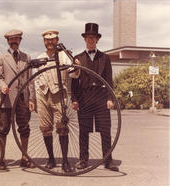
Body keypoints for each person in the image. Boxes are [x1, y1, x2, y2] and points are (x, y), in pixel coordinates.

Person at [71, 23, 119, 171]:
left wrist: (110, 98)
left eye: (93, 38)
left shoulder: (105, 58)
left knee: (105, 130)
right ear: (85, 39)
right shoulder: (77, 58)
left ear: (97, 40)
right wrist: (74, 99)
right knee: (84, 131)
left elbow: (109, 79)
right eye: (88, 38)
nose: (91, 40)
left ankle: (108, 160)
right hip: (84, 98)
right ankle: (83, 160)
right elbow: (73, 80)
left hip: (101, 98)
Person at [35, 29, 79, 172]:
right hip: (42, 94)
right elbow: (36, 80)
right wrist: (35, 99)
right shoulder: (40, 57)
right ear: (43, 42)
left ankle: (65, 161)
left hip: (59, 94)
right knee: (45, 128)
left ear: (57, 40)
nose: (50, 42)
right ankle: (51, 158)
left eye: (53, 39)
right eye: (47, 40)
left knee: (62, 127)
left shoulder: (63, 56)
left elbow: (74, 74)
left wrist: (76, 66)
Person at [0, 29, 36, 170]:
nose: (14, 42)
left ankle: (24, 157)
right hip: (7, 98)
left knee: (24, 128)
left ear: (20, 40)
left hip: (23, 99)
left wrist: (32, 99)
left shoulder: (27, 57)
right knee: (3, 128)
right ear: (8, 41)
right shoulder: (2, 57)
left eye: (17, 39)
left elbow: (30, 80)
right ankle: (1, 159)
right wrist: (3, 86)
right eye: (12, 39)